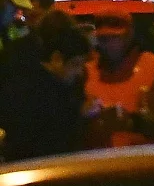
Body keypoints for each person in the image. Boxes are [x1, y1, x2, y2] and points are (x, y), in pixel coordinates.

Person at [82, 10, 154, 148]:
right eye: (104, 39)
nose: (109, 45)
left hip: (142, 164)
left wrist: (132, 122)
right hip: (97, 165)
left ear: (129, 36)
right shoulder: (85, 71)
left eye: (115, 38)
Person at [0, 10, 90, 161]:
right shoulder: (34, 90)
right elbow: (45, 137)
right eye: (76, 65)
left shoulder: (55, 84)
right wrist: (79, 113)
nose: (79, 72)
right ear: (57, 58)